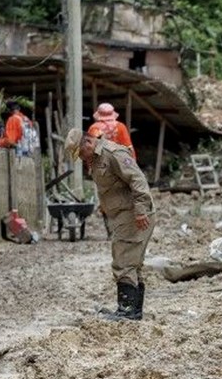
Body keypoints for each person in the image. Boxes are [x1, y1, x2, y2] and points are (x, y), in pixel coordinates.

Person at [64, 127, 154, 320]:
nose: (81, 158)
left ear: (88, 143)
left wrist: (140, 211)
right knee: (131, 262)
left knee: (124, 262)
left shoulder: (113, 153)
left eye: (80, 153)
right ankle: (133, 310)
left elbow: (138, 180)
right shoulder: (96, 159)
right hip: (122, 215)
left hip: (132, 215)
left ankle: (128, 312)